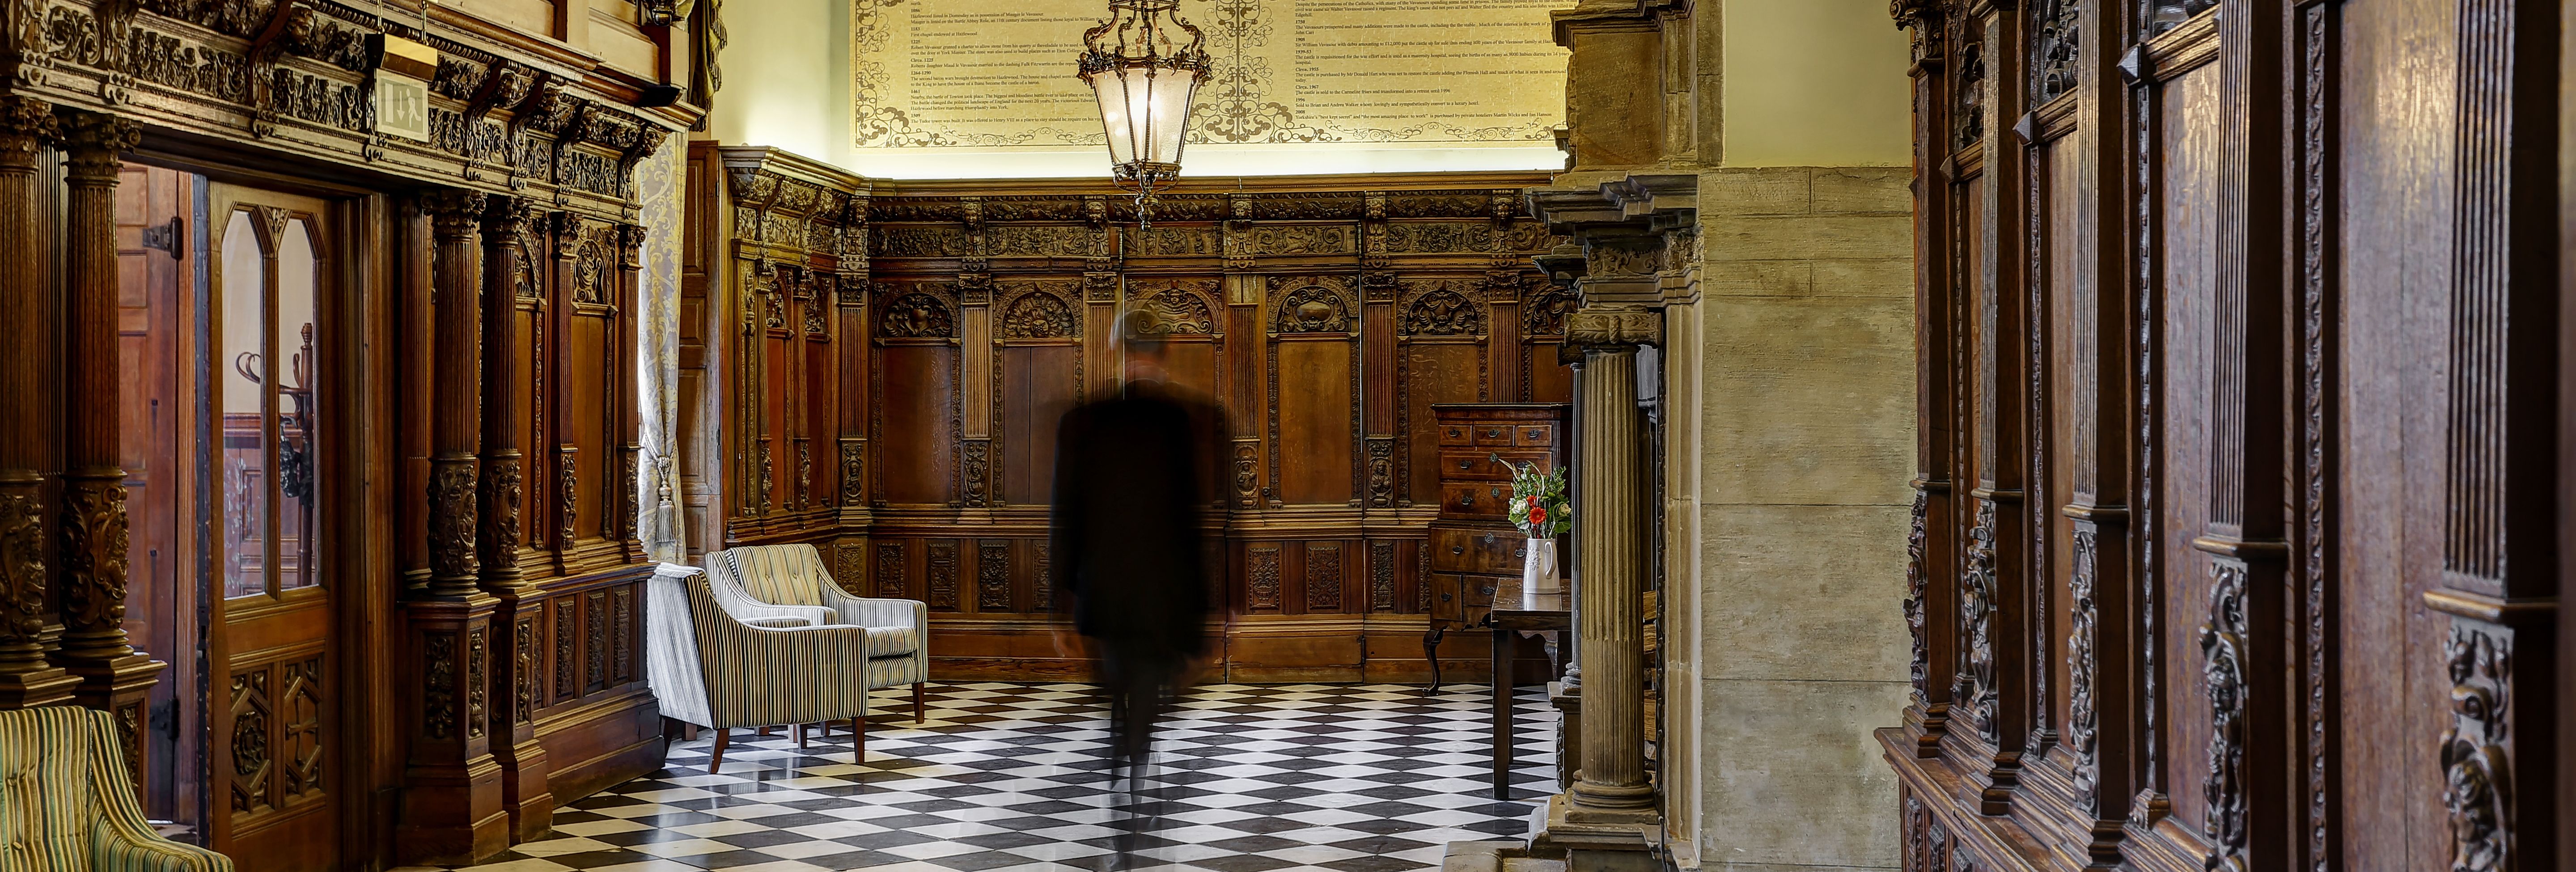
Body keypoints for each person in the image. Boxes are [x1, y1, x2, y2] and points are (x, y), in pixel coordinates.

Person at [1048, 307, 1222, 865]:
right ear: (1165, 352)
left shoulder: (1082, 420)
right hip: (1165, 596)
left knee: (1123, 694)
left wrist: (1062, 606)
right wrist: (1213, 612)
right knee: (1144, 693)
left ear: (1116, 351)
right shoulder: (1188, 421)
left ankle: (1127, 778)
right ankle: (1136, 776)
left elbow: (1065, 517)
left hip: (1106, 594)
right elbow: (1197, 522)